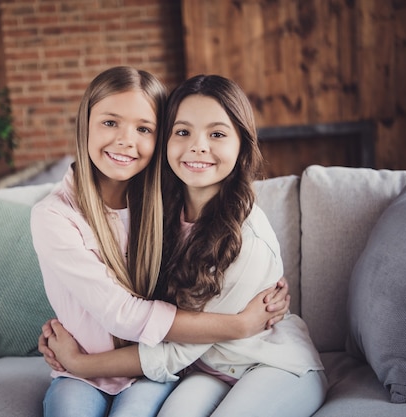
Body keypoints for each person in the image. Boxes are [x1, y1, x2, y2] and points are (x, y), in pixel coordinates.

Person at [41, 74, 327, 417]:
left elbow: (175, 351)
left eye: (217, 134)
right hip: (207, 368)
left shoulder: (246, 238)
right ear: (167, 140)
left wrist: (80, 363)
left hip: (269, 363)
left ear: (242, 145)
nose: (199, 146)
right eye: (183, 131)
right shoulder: (159, 212)